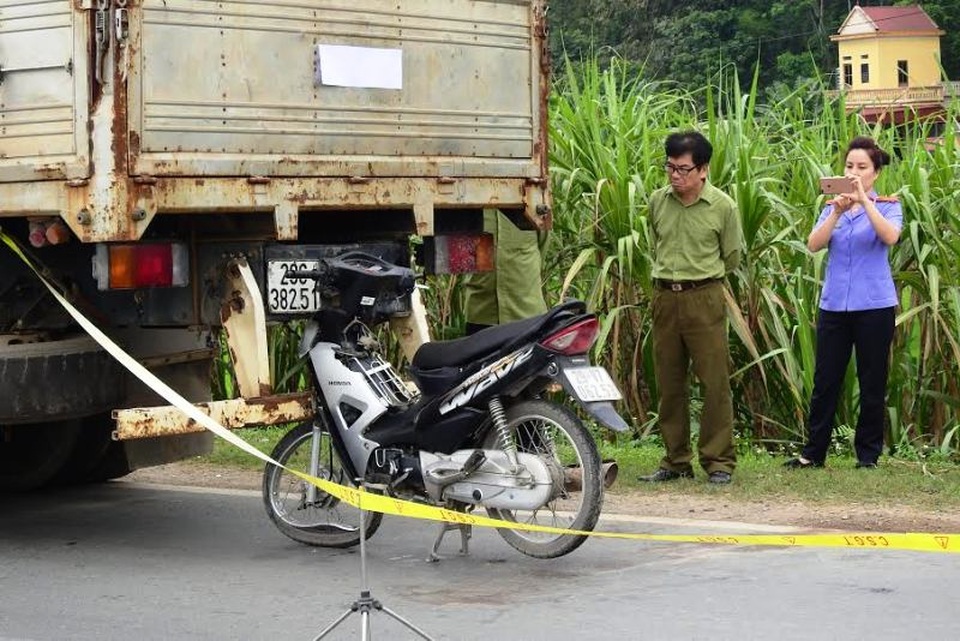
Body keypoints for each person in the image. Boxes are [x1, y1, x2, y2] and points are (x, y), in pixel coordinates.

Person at [785, 136, 902, 470]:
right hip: (835, 305)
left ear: (876, 173)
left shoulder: (889, 206)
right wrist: (836, 213)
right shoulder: (829, 207)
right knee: (826, 381)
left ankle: (867, 456)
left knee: (872, 381)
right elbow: (813, 244)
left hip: (874, 306)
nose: (853, 173)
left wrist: (865, 202)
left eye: (862, 167)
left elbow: (890, 237)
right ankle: (813, 453)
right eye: (849, 166)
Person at [639, 131, 742, 485]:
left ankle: (718, 462)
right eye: (670, 167)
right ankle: (675, 460)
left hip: (705, 296)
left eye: (683, 169)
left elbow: (731, 256)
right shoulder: (657, 201)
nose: (675, 176)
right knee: (669, 381)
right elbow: (656, 241)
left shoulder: (723, 207)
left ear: (703, 170)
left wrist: (700, 281)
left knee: (714, 382)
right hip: (665, 297)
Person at [463, 208, 548, 335]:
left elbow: (543, 245)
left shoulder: (533, 199)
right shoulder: (467, 202)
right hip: (481, 314)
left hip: (527, 314)